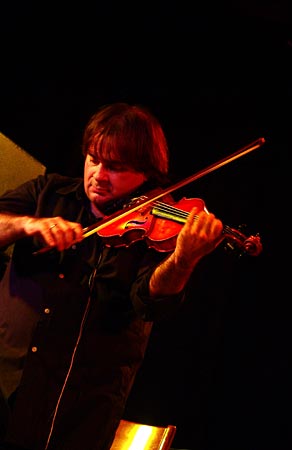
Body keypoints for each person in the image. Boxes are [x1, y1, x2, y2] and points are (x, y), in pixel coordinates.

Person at [0, 102, 226, 450]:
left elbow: (150, 300)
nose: (98, 175)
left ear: (147, 172)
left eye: (116, 168)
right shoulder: (48, 191)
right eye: (93, 159)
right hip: (7, 379)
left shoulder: (154, 228)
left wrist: (183, 259)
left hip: (79, 407)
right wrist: (27, 223)